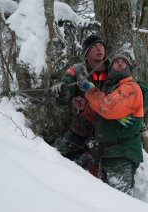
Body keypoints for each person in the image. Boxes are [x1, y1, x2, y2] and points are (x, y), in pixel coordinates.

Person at [83, 54, 144, 196]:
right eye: (116, 62)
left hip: (121, 155)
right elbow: (102, 115)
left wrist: (92, 92)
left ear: (129, 69)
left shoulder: (130, 87)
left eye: (124, 62)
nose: (120, 63)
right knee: (109, 202)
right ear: (110, 70)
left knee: (120, 203)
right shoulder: (113, 90)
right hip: (109, 155)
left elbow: (107, 107)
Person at [51, 34, 109, 175]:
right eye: (94, 46)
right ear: (86, 52)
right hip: (79, 132)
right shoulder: (76, 70)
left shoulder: (114, 69)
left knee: (92, 173)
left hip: (104, 135)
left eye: (101, 45)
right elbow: (65, 96)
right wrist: (61, 91)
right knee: (51, 157)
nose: (99, 48)